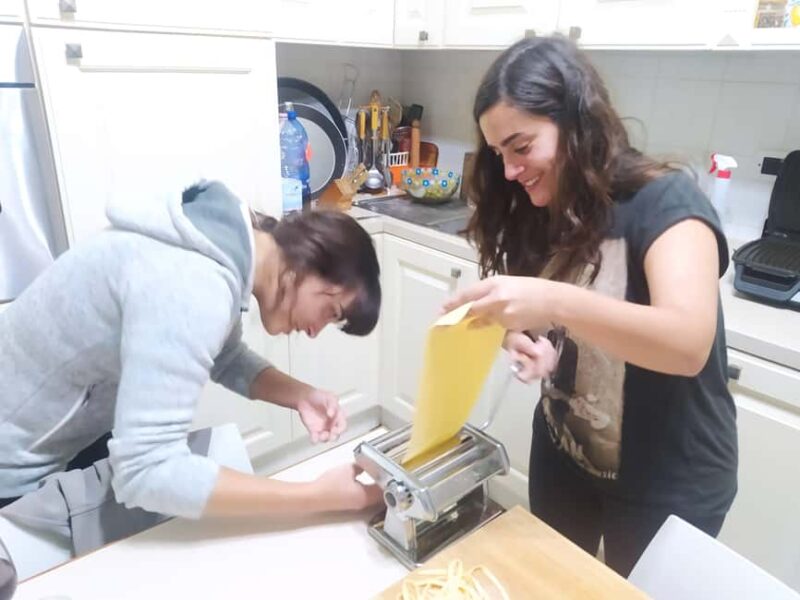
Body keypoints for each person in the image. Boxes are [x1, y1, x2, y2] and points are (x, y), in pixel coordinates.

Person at [444, 36, 737, 576]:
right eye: (498, 154)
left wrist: (552, 299)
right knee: (554, 584)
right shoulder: (540, 205)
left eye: (521, 146)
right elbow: (558, 319)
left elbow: (687, 343)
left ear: (575, 123)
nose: (509, 169)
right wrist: (528, 336)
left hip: (668, 479)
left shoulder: (667, 203)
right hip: (565, 453)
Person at [0, 181, 382, 565]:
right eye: (331, 312)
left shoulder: (226, 239)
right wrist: (316, 498)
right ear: (310, 262)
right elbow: (147, 472)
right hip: (13, 457)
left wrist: (300, 394)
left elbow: (224, 355)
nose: (315, 331)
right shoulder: (194, 284)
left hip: (69, 427)